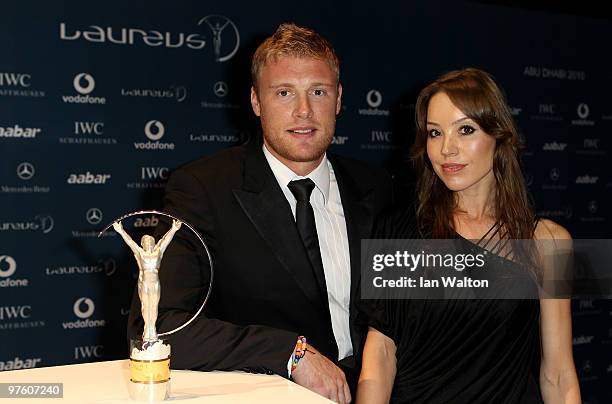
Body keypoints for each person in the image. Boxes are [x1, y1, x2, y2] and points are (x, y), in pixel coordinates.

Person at [127, 23, 392, 403]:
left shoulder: (378, 187)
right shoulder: (203, 188)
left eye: (318, 91)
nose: (304, 110)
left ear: (338, 100)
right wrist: (289, 352)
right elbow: (158, 328)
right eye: (284, 92)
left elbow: (403, 315)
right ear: (255, 101)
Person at [356, 68, 580, 403]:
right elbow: (380, 357)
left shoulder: (550, 243)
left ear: (498, 136)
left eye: (465, 130)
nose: (447, 149)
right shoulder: (397, 232)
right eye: (434, 133)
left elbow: (559, 375)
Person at [114, 219, 181, 342]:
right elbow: (130, 242)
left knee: (154, 307)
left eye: (150, 241)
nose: (148, 243)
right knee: (145, 307)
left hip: (155, 283)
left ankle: (152, 331)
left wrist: (174, 229)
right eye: (145, 241)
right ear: (142, 244)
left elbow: (166, 240)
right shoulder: (140, 253)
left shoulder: (158, 252)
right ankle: (147, 331)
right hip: (145, 283)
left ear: (153, 242)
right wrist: (121, 230)